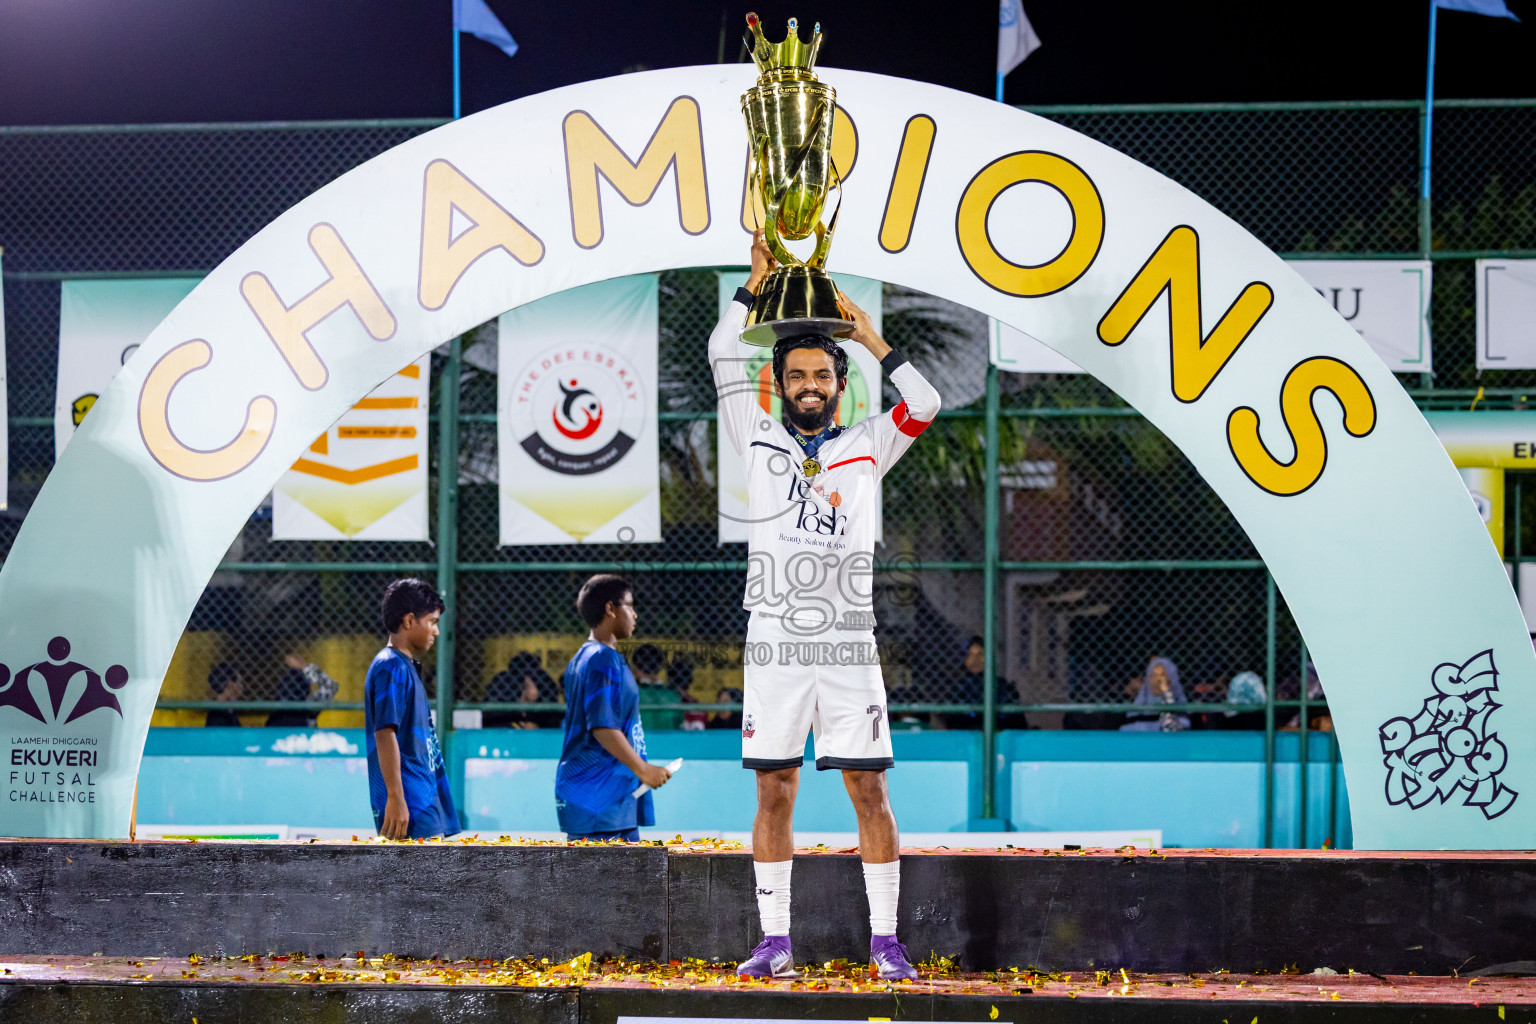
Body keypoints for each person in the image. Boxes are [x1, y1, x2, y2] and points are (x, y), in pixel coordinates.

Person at [711, 231, 941, 981]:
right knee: (774, 788)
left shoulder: (871, 442)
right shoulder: (757, 434)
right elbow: (721, 354)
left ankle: (885, 942)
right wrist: (753, 283)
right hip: (774, 642)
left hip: (848, 643)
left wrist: (868, 336)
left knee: (868, 788)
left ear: (840, 384)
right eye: (798, 374)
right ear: (779, 384)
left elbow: (928, 401)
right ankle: (775, 942)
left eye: (821, 374)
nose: (810, 384)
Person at [555, 575, 672, 842]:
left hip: (609, 795)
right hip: (599, 796)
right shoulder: (601, 659)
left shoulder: (584, 658)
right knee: (605, 882)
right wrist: (643, 768)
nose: (635, 614)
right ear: (610, 609)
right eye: (630, 606)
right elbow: (602, 726)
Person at [364, 579, 459, 840]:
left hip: (422, 800)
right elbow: (384, 733)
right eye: (432, 622)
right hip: (409, 807)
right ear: (408, 621)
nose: (436, 631)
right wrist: (395, 798)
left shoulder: (404, 666)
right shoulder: (389, 666)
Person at [938, 635, 1029, 731]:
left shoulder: (1003, 687)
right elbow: (953, 723)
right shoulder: (959, 688)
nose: (975, 660)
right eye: (970, 655)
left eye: (980, 655)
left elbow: (1018, 722)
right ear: (965, 660)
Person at [484, 652, 563, 728]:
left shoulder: (543, 680)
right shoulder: (504, 684)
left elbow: (553, 721)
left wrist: (536, 727)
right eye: (526, 686)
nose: (532, 691)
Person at [265, 652, 339, 728]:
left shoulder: (275, 709)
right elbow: (331, 686)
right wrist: (305, 667)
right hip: (303, 737)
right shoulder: (308, 706)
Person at [1121, 656, 1191, 732]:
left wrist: (1167, 695)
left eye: (1162, 675)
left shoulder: (1182, 714)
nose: (1157, 680)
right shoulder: (1136, 712)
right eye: (1152, 676)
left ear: (1171, 678)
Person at [632, 643, 683, 732]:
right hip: (667, 743)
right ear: (660, 666)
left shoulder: (629, 695)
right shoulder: (673, 697)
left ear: (635, 667)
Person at [205, 662, 243, 727]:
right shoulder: (218, 716)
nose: (241, 686)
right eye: (239, 682)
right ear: (229, 684)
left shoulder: (228, 709)